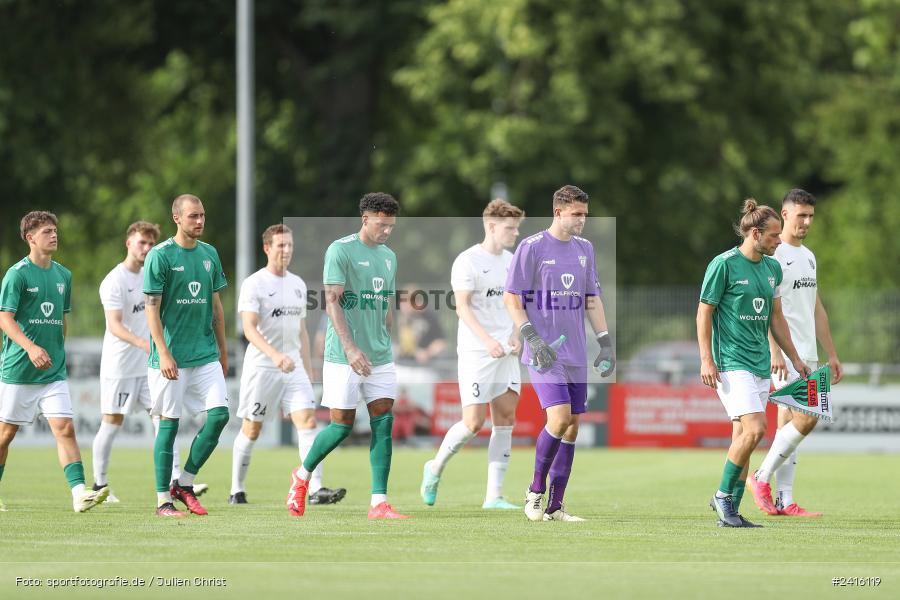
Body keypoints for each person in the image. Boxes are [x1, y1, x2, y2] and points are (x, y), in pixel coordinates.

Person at [286, 192, 408, 519]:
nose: (385, 231)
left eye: (391, 226)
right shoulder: (340, 250)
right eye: (381, 225)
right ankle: (302, 475)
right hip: (343, 356)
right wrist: (351, 347)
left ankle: (379, 502)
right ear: (365, 219)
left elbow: (385, 306)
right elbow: (332, 302)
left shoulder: (389, 256)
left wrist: (387, 339)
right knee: (342, 426)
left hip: (380, 356)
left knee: (383, 422)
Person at [504, 185, 615, 522]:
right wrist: (531, 338)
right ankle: (535, 492)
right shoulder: (532, 247)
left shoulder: (585, 249)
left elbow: (591, 298)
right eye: (576, 214)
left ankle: (556, 506)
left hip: (576, 353)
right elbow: (512, 298)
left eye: (585, 214)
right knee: (559, 418)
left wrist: (605, 342)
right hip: (543, 353)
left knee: (573, 427)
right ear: (558, 212)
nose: (582, 220)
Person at [697, 198, 810, 528]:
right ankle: (721, 497)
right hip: (731, 363)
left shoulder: (773, 268)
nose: (779, 241)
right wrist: (707, 359)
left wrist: (796, 359)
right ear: (756, 233)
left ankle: (730, 511)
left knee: (742, 439)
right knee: (757, 429)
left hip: (760, 364)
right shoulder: (724, 264)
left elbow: (776, 317)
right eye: (774, 236)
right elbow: (705, 312)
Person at [91, 221, 208, 503]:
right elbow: (114, 326)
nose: (146, 248)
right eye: (141, 242)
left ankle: (174, 481)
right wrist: (146, 343)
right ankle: (99, 484)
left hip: (151, 366)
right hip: (120, 366)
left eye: (150, 244)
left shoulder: (152, 274)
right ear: (128, 243)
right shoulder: (114, 280)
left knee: (165, 418)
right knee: (112, 420)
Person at [0, 211, 109, 512]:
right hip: (18, 371)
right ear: (30, 237)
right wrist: (30, 348)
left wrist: (55, 352)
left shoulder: (64, 275)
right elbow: (4, 318)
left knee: (65, 428)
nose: (54, 235)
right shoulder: (17, 274)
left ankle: (79, 494)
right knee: (5, 436)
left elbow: (61, 321)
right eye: (47, 231)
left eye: (55, 230)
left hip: (52, 372)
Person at [421, 198, 525, 509]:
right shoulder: (466, 261)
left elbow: (519, 305)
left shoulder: (513, 261)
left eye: (517, 228)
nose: (515, 234)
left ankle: (493, 496)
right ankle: (435, 467)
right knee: (473, 423)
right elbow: (462, 308)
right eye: (510, 228)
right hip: (476, 352)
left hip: (506, 350)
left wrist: (516, 334)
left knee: (506, 418)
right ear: (491, 226)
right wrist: (487, 341)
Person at [230, 223, 345, 505]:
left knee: (307, 423)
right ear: (267, 248)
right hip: (263, 368)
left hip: (294, 369)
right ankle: (237, 489)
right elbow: (249, 328)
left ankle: (314, 488)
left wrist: (308, 367)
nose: (287, 250)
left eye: (290, 245)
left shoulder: (297, 284)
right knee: (252, 429)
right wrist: (274, 355)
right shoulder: (254, 284)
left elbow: (302, 330)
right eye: (281, 245)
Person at [746, 189, 843, 517]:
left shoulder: (809, 256)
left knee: (791, 422)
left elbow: (815, 306)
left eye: (811, 216)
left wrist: (831, 352)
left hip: (808, 352)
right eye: (801, 215)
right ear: (784, 215)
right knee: (808, 415)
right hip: (784, 353)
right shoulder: (773, 254)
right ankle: (760, 478)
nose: (806, 222)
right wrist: (773, 348)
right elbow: (766, 310)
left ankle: (785, 500)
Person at [144, 194, 229, 517]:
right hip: (171, 359)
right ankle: (163, 500)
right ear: (176, 218)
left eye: (203, 215)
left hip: (205, 354)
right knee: (169, 426)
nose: (200, 221)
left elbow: (216, 306)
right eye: (193, 216)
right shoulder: (161, 256)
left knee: (220, 416)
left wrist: (222, 350)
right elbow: (151, 310)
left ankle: (186, 482)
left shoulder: (209, 254)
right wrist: (163, 353)